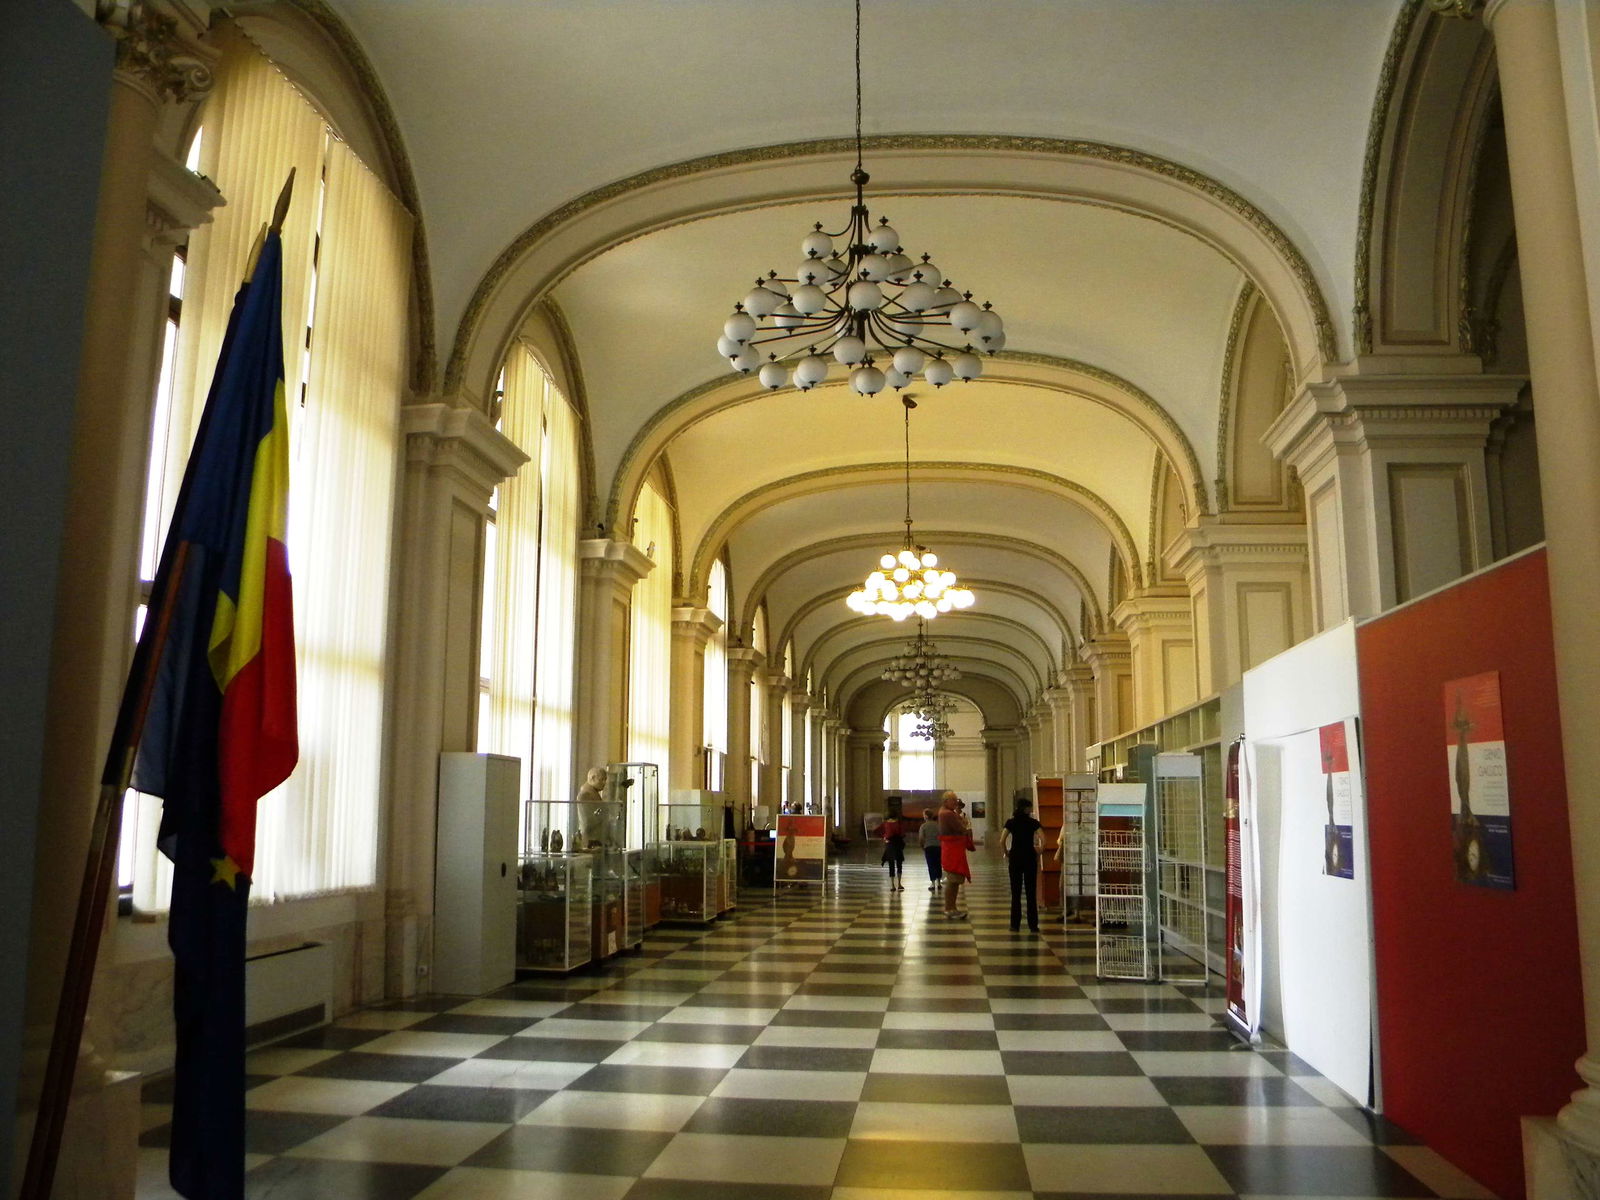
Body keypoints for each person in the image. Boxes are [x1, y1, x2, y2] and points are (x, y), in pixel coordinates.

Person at [1002, 797, 1044, 932]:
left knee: (1016, 892)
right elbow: (1044, 839)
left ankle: (1014, 924)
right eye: (1030, 807)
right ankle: (1033, 925)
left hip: (1015, 858)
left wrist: (1007, 853)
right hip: (1029, 858)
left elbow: (1002, 840)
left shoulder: (1011, 822)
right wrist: (1039, 852)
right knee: (1031, 892)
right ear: (1026, 808)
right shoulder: (1033, 823)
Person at [938, 791, 971, 919]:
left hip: (952, 849)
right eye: (954, 800)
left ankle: (952, 907)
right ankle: (949, 908)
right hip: (952, 850)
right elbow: (962, 828)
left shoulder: (946, 812)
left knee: (955, 880)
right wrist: (963, 824)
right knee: (953, 881)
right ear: (946, 801)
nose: (956, 802)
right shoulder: (947, 814)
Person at [918, 808, 943, 891]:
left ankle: (933, 883)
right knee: (938, 864)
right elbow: (942, 836)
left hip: (928, 847)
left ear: (926, 816)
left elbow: (921, 838)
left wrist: (922, 846)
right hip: (938, 847)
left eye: (923, 814)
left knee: (931, 865)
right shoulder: (937, 825)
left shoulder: (923, 826)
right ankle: (939, 882)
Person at [880, 812, 905, 890]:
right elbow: (902, 834)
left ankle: (892, 885)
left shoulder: (885, 824)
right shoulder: (898, 824)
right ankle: (899, 884)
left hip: (889, 846)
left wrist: (884, 838)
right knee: (899, 865)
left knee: (891, 865)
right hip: (897, 845)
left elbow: (878, 831)